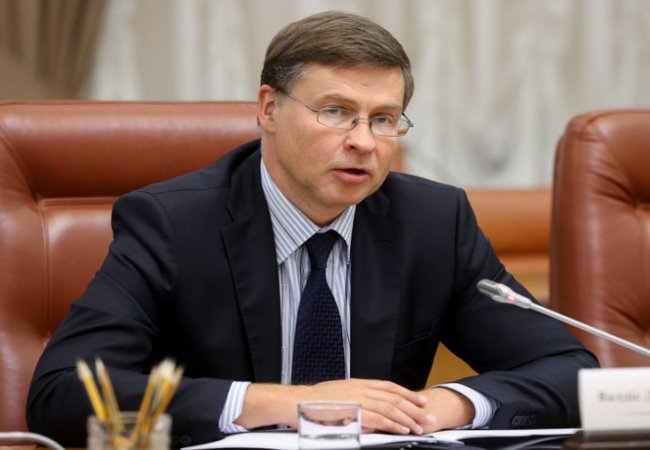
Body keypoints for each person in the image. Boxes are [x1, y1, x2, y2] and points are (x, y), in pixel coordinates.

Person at [27, 10, 598, 447]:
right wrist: (287, 403)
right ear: (268, 109)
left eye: (383, 118)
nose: (363, 141)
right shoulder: (173, 224)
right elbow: (63, 393)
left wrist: (443, 406)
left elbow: (570, 373)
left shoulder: (433, 223)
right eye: (336, 112)